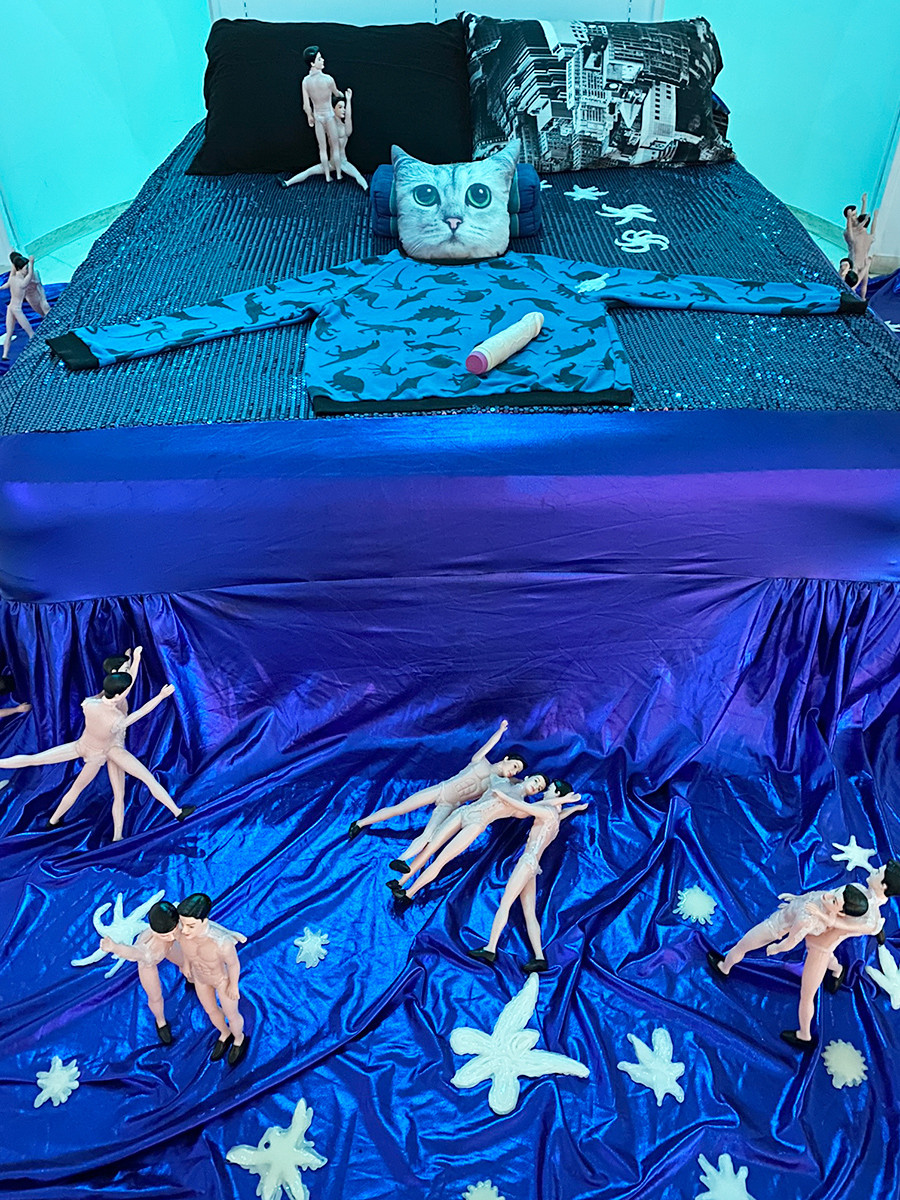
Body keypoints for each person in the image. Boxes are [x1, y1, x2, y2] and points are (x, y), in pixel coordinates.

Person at [0, 671, 193, 839]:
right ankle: (175, 813)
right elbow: (140, 713)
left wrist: (132, 663)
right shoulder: (116, 719)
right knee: (133, 785)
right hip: (101, 754)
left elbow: (116, 690)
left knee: (37, 760)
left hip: (81, 746)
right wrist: (160, 697)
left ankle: (54, 820)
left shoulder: (89, 703)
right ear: (118, 695)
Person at [708, 883, 881, 1050]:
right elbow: (811, 899)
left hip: (778, 929)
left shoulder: (810, 919)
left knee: (744, 946)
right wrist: (796, 900)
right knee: (828, 963)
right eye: (835, 893)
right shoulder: (825, 901)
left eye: (834, 900)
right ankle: (837, 971)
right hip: (811, 939)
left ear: (841, 912)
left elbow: (791, 942)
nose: (829, 895)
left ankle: (724, 967)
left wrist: (776, 948)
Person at [349, 720, 527, 870]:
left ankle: (401, 860)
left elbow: (518, 785)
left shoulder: (498, 785)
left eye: (517, 770)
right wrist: (500, 731)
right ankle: (360, 823)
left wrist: (526, 781)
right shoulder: (481, 761)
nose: (514, 771)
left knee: (428, 835)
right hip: (441, 789)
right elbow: (489, 745)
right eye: (514, 766)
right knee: (400, 808)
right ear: (506, 759)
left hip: (450, 805)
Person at [468, 780, 587, 972]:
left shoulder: (547, 812)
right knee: (529, 913)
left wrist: (502, 796)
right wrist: (574, 808)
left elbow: (523, 807)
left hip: (527, 862)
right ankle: (539, 957)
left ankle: (490, 948)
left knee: (505, 903)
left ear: (556, 793)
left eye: (549, 789)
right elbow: (561, 813)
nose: (545, 791)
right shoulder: (554, 816)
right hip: (533, 865)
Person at [388, 773, 551, 903]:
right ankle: (401, 882)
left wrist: (559, 800)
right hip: (464, 812)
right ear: (528, 777)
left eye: (539, 788)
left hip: (477, 823)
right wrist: (514, 778)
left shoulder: (522, 807)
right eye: (536, 781)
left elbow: (539, 809)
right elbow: (491, 770)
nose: (536, 786)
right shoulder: (501, 781)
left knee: (441, 860)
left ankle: (409, 893)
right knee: (430, 847)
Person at [176, 893, 248, 1066]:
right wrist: (186, 965)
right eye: (183, 924)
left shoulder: (221, 943)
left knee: (231, 1013)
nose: (184, 930)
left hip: (221, 980)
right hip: (200, 979)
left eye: (191, 926)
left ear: (204, 922)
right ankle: (224, 1033)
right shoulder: (184, 935)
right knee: (210, 1010)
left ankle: (238, 1038)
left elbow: (233, 964)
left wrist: (233, 985)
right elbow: (187, 952)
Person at [100, 900, 185, 1044]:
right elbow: (132, 952)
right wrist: (114, 947)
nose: (172, 936)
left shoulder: (174, 928)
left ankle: (190, 977)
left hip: (170, 948)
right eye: (166, 935)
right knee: (155, 996)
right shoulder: (147, 949)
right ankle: (160, 1021)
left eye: (174, 930)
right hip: (149, 964)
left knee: (185, 962)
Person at [282, 89, 367, 191]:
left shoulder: (346, 128)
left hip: (343, 162)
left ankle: (367, 189)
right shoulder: (328, 126)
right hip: (330, 163)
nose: (343, 110)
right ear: (333, 109)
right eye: (340, 107)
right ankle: (287, 183)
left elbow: (348, 117)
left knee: (357, 175)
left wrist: (348, 100)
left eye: (344, 107)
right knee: (308, 171)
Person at [300, 45, 342, 182]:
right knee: (335, 146)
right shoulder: (328, 79)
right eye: (319, 59)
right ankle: (339, 175)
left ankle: (328, 177)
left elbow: (306, 105)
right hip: (329, 115)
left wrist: (309, 116)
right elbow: (336, 93)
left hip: (318, 116)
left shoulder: (306, 82)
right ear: (312, 63)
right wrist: (342, 95)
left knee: (322, 148)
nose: (323, 60)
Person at [1, 253, 49, 358]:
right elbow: (28, 275)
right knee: (29, 332)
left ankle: (5, 355)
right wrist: (31, 263)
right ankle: (36, 346)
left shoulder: (13, 278)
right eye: (25, 268)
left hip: (12, 307)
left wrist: (43, 299)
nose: (26, 270)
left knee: (10, 332)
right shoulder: (21, 282)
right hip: (17, 308)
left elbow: (37, 284)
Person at [843, 196, 878, 299]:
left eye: (856, 215)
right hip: (855, 262)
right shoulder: (849, 232)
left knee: (862, 284)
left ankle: (862, 299)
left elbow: (863, 220)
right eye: (853, 215)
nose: (855, 217)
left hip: (861, 260)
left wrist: (864, 202)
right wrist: (871, 218)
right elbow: (855, 227)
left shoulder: (861, 232)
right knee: (852, 285)